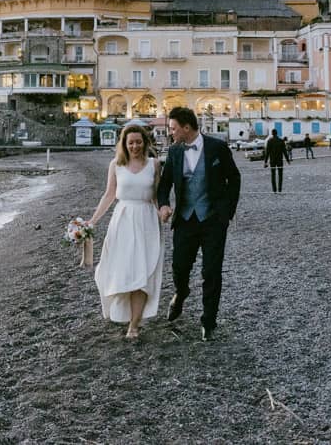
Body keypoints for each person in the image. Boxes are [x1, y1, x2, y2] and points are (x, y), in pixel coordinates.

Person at [156, 106, 241, 341]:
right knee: (179, 267)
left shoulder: (217, 148)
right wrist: (163, 205)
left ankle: (209, 321)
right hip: (184, 219)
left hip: (213, 220)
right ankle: (181, 293)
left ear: (186, 127)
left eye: (173, 128)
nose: (171, 133)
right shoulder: (174, 152)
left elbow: (234, 178)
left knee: (211, 271)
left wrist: (226, 213)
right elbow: (163, 186)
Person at [88, 123, 162, 340]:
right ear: (124, 144)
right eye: (131, 142)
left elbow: (157, 196)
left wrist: (163, 213)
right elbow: (109, 195)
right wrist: (92, 220)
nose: (135, 146)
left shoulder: (154, 164)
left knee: (143, 272)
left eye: (139, 142)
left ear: (145, 142)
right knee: (120, 270)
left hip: (147, 220)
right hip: (122, 221)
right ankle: (121, 312)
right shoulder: (116, 165)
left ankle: (134, 324)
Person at [264, 129, 291, 193]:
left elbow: (267, 152)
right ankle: (280, 189)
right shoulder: (281, 141)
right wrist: (288, 160)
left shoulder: (269, 141)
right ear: (277, 133)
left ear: (272, 133)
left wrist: (265, 161)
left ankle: (274, 190)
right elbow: (284, 151)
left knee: (273, 175)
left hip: (272, 160)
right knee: (280, 175)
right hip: (280, 160)